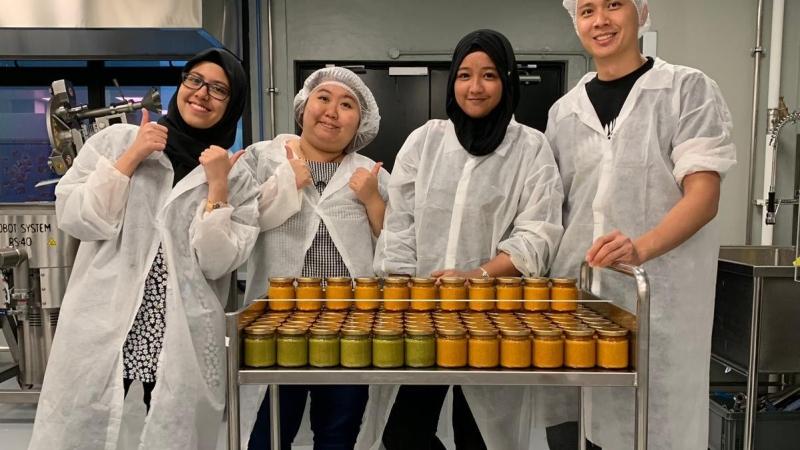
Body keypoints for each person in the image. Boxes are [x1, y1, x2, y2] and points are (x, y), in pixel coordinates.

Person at [29, 48, 259, 450]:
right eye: (195, 80)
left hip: (180, 332)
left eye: (219, 89)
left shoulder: (236, 174)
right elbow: (77, 217)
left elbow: (216, 263)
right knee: (84, 425)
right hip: (106, 321)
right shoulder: (117, 141)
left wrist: (218, 187)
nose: (202, 93)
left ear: (233, 103)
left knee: (174, 431)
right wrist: (131, 157)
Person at [545, 1, 737, 448]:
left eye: (614, 4)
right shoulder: (564, 112)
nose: (601, 20)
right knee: (578, 428)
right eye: (587, 10)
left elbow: (703, 196)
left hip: (659, 305)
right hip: (580, 308)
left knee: (652, 427)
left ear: (641, 11)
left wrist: (641, 248)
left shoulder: (684, 90)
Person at [373, 29, 564, 450]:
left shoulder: (530, 148)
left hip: (494, 317)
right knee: (402, 433)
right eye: (464, 75)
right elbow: (400, 223)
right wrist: (404, 288)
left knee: (480, 434)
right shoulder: (426, 141)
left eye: (489, 75)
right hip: (424, 312)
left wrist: (477, 276)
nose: (475, 87)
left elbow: (538, 234)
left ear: (507, 81)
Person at [241, 66, 388, 450]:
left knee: (337, 435)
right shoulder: (262, 159)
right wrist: (284, 182)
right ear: (304, 107)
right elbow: (237, 224)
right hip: (276, 328)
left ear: (360, 123)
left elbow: (396, 248)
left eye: (347, 105)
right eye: (323, 98)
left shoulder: (370, 174)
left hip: (349, 331)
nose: (332, 111)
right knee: (267, 436)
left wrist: (373, 199)